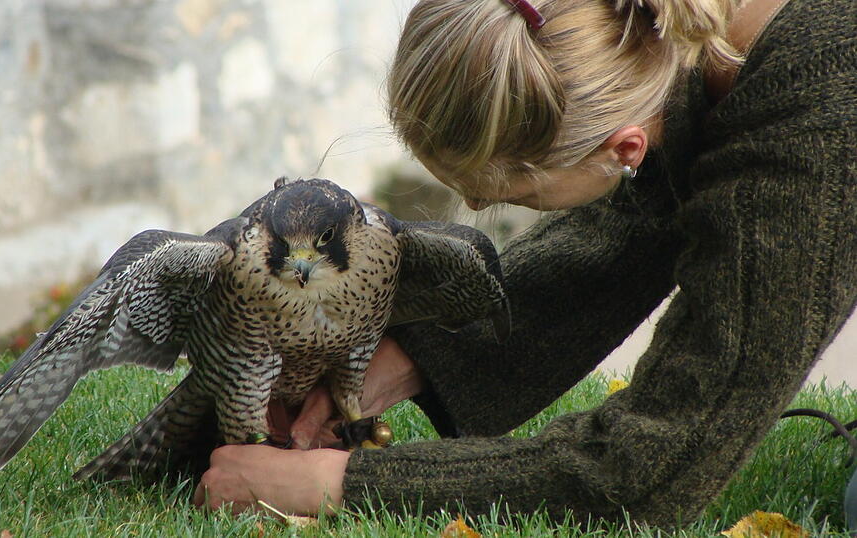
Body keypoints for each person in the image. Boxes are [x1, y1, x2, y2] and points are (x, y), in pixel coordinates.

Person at [193, 0, 856, 528]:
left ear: (623, 147)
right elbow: (616, 246)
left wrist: (333, 485)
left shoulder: (816, 111)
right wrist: (389, 363)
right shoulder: (657, 34)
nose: (476, 204)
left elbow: (646, 473)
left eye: (506, 194)